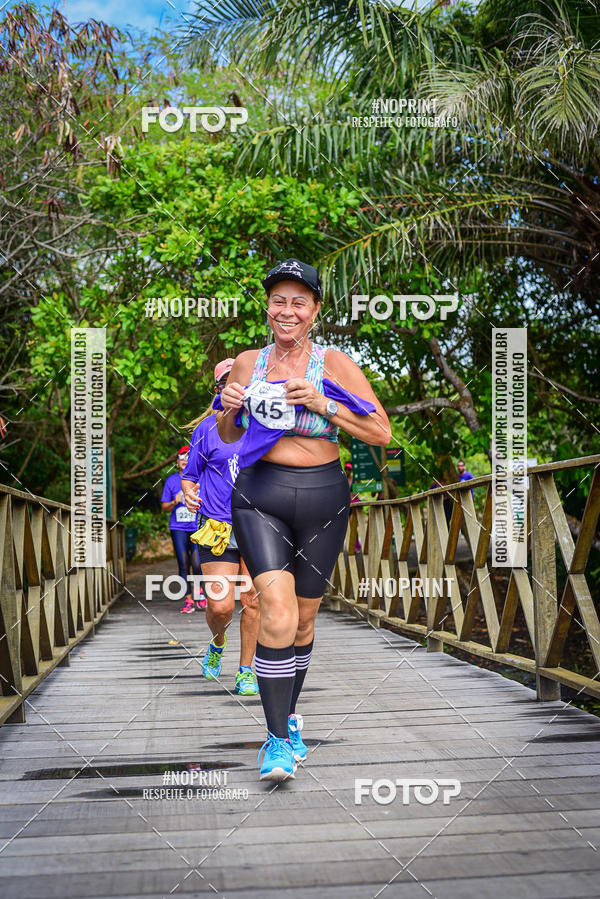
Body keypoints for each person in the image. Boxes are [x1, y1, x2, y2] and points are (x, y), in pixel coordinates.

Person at [219, 258, 391, 781]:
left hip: (323, 497)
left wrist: (324, 402)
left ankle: (289, 716)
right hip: (261, 493)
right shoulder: (250, 362)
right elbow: (228, 436)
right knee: (275, 608)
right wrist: (227, 408)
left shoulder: (334, 364)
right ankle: (274, 741)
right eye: (278, 301)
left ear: (315, 310)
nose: (286, 310)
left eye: (298, 301)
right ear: (267, 307)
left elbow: (381, 432)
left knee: (304, 619)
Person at [180, 360, 260, 696]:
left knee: (253, 601)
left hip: (258, 523)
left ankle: (246, 670)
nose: (235, 387)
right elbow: (189, 474)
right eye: (228, 382)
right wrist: (186, 493)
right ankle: (217, 643)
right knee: (221, 606)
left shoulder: (264, 425)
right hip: (217, 524)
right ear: (219, 389)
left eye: (242, 380)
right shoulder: (206, 430)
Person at [161, 446, 205, 613]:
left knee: (197, 563)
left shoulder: (200, 478)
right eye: (181, 457)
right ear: (177, 462)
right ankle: (188, 600)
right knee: (183, 563)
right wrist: (174, 501)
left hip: (196, 526)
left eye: (188, 457)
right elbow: (164, 507)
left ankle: (198, 593)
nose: (185, 460)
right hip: (178, 528)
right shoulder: (171, 481)